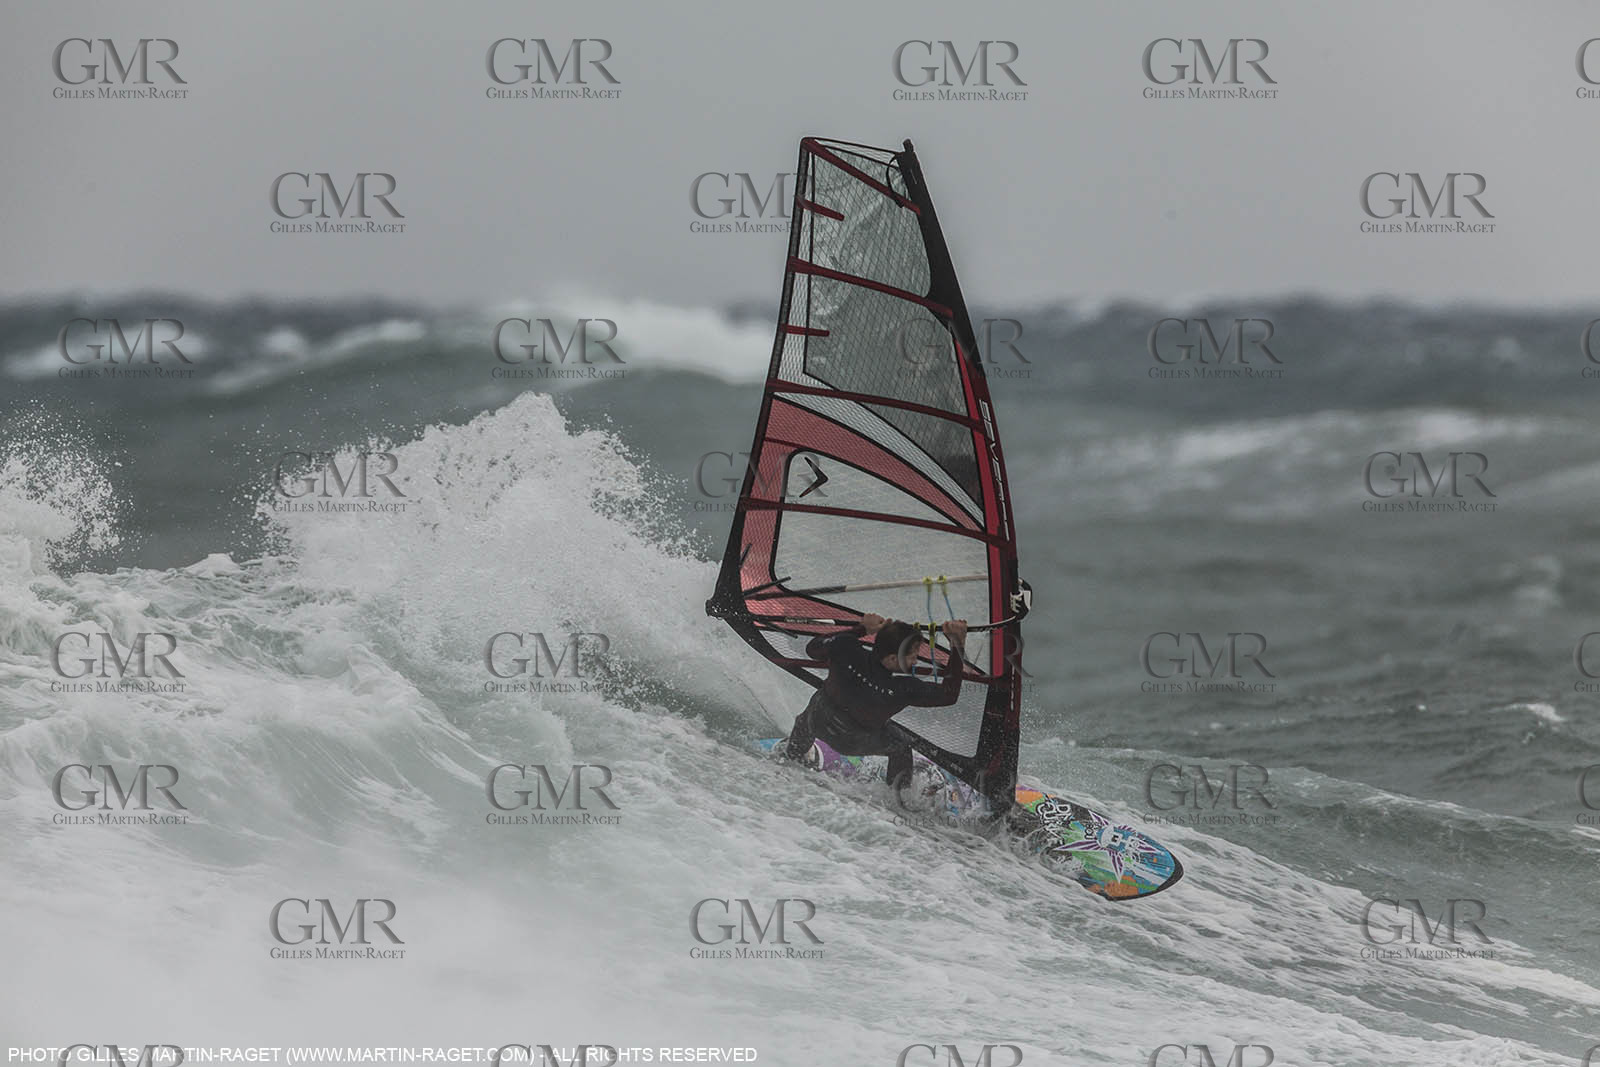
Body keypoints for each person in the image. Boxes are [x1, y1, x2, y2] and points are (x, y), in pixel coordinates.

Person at [782, 612, 969, 793]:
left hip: (817, 723)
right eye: (912, 656)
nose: (915, 661)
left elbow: (812, 648)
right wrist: (957, 645)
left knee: (815, 709)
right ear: (893, 659)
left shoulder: (846, 648)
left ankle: (790, 759)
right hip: (853, 742)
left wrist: (862, 629)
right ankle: (899, 798)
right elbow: (948, 695)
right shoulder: (902, 689)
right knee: (901, 747)